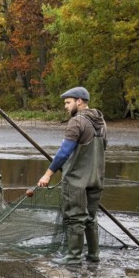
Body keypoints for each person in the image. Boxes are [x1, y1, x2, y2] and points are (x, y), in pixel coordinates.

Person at [37, 86, 107, 265]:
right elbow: (103, 148)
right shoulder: (101, 122)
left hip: (76, 179)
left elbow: (63, 152)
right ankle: (93, 254)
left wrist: (47, 174)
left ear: (79, 101)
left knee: (75, 217)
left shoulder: (77, 122)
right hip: (97, 177)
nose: (66, 106)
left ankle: (74, 256)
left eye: (68, 102)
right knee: (91, 217)